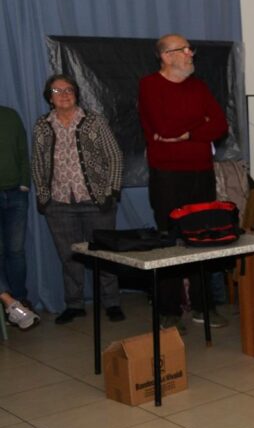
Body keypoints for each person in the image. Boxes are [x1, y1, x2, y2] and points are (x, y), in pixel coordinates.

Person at [138, 33, 229, 332]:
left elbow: (220, 125)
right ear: (166, 56)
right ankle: (169, 311)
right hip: (167, 175)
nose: (191, 53)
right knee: (170, 239)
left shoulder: (198, 86)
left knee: (204, 236)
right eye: (184, 49)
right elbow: (164, 127)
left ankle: (205, 306)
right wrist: (200, 123)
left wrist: (189, 134)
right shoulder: (149, 86)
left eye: (191, 49)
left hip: (201, 172)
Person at [31, 74, 125, 324]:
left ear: (76, 93)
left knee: (105, 254)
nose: (64, 95)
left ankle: (112, 303)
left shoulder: (94, 121)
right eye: (57, 91)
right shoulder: (42, 125)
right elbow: (38, 163)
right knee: (69, 256)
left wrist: (112, 191)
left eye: (69, 90)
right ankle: (74, 304)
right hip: (59, 203)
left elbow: (115, 155)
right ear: (49, 97)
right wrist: (43, 196)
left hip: (97, 201)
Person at [0, 105, 40, 330]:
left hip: (16, 193)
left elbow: (23, 151)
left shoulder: (10, 115)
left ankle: (19, 300)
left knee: (16, 251)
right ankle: (10, 305)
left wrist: (24, 183)